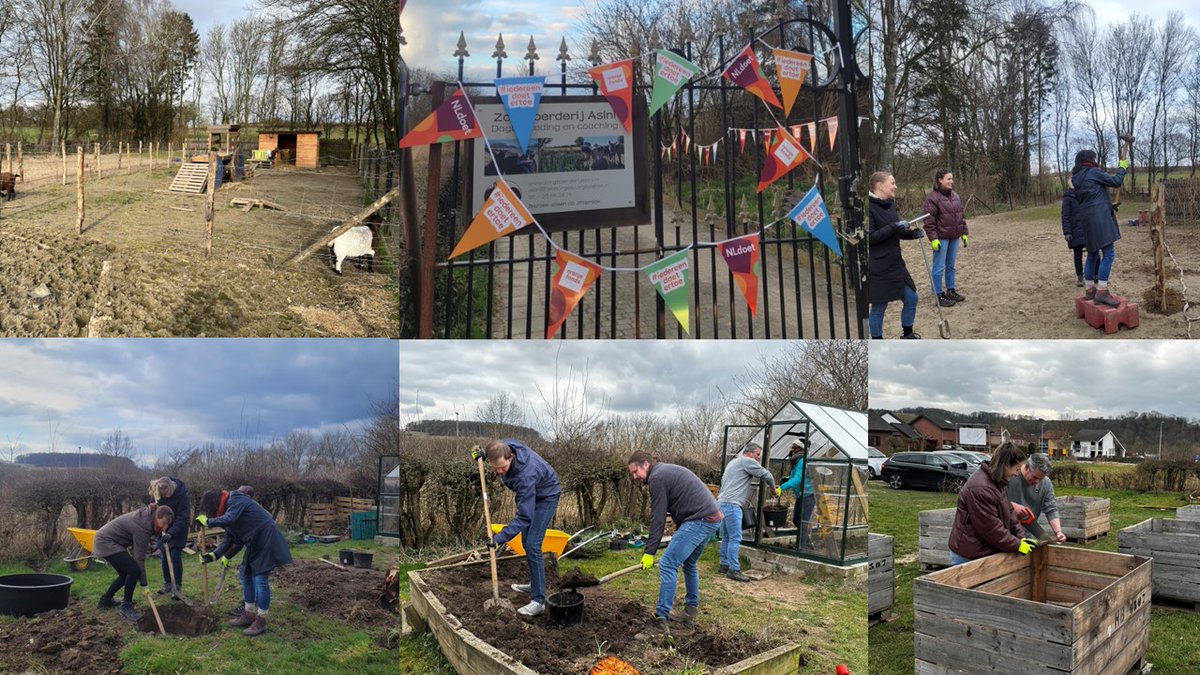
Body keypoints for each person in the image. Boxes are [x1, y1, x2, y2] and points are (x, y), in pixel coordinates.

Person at [627, 451, 723, 639]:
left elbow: (658, 518)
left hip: (700, 519)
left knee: (667, 564)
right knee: (688, 563)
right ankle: (690, 612)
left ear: (645, 464)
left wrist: (649, 552)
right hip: (711, 517)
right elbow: (683, 506)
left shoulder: (657, 478)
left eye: (635, 471)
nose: (634, 477)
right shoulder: (664, 472)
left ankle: (660, 621)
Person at [475, 438, 561, 617]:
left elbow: (524, 516)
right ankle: (535, 583)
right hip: (534, 492)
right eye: (495, 468)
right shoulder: (506, 447)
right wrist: (483, 455)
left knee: (532, 544)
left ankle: (538, 601)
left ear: (511, 458)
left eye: (502, 467)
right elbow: (498, 446)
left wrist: (499, 538)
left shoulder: (525, 476)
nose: (499, 472)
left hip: (546, 496)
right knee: (525, 541)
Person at [196, 487, 293, 637]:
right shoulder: (227, 511)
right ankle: (249, 613)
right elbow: (229, 540)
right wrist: (214, 555)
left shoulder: (236, 499)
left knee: (260, 579)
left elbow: (230, 519)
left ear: (214, 504)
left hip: (267, 539)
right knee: (245, 574)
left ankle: (261, 620)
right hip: (254, 543)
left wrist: (209, 522)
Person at [948, 442, 1037, 565]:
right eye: (1016, 469)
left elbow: (1010, 514)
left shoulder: (999, 483)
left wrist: (1021, 538)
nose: (1017, 474)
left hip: (985, 550)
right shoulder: (980, 488)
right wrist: (1017, 545)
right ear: (1006, 465)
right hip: (969, 555)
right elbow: (991, 529)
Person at [868, 171, 925, 339]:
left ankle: (907, 334)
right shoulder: (868, 208)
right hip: (878, 266)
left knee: (912, 298)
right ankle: (877, 341)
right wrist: (894, 226)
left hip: (895, 263)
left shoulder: (890, 205)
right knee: (879, 307)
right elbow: (870, 238)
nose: (895, 186)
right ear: (880, 185)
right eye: (892, 183)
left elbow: (895, 232)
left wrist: (912, 234)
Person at [93, 504, 175, 621]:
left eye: (167, 525)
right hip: (106, 542)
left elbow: (154, 530)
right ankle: (126, 606)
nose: (165, 528)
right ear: (156, 517)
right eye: (163, 524)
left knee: (125, 574)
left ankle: (106, 600)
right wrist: (144, 584)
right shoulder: (142, 528)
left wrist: (161, 536)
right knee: (134, 570)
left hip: (109, 541)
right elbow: (139, 558)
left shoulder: (148, 517)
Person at [1071, 149, 1128, 307]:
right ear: (1089, 160)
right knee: (1108, 253)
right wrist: (1122, 167)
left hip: (1087, 219)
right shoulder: (1094, 172)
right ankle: (1102, 292)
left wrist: (1109, 205)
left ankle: (1090, 290)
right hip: (1099, 218)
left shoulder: (1076, 178)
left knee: (1093, 254)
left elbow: (1092, 197)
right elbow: (1116, 181)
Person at [715, 443, 776, 582]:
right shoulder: (747, 461)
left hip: (722, 503)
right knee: (735, 538)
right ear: (750, 453)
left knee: (727, 537)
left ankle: (724, 565)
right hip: (732, 504)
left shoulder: (733, 462)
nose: (759, 458)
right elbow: (767, 475)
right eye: (758, 454)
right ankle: (734, 570)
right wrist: (773, 489)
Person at [922, 170, 969, 307]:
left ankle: (951, 290)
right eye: (948, 179)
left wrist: (964, 232)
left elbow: (961, 215)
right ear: (940, 180)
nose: (951, 181)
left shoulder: (955, 196)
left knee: (950, 266)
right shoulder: (933, 198)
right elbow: (929, 221)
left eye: (952, 178)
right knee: (939, 267)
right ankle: (938, 294)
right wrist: (933, 238)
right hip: (941, 238)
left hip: (954, 236)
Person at [1007, 453, 1067, 544]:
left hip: (1026, 535)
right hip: (1005, 535)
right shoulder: (1010, 476)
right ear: (1026, 467)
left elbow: (1051, 509)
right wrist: (1011, 506)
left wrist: (1058, 532)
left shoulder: (1046, 483)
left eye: (1041, 479)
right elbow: (993, 500)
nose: (1037, 482)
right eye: (1035, 477)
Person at [150, 476, 189, 597]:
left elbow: (182, 517)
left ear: (171, 488)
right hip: (163, 527)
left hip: (178, 528)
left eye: (166, 494)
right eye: (163, 495)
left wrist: (171, 533)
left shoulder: (182, 495)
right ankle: (167, 584)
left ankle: (177, 586)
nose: (165, 496)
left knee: (175, 555)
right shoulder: (158, 493)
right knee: (164, 557)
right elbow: (156, 510)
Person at [777, 444, 817, 549]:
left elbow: (798, 479)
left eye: (795, 448)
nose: (792, 450)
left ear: (801, 449)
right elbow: (797, 476)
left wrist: (782, 487)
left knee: (803, 521)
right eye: (792, 448)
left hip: (808, 494)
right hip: (801, 495)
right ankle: (807, 543)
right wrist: (787, 478)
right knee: (796, 519)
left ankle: (801, 547)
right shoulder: (798, 461)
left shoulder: (803, 461)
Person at [1062, 178, 1087, 287]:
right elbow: (1065, 216)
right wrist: (1067, 232)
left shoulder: (1085, 195)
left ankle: (1096, 274)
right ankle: (1080, 276)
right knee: (1078, 255)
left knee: (1094, 253)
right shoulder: (1068, 198)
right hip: (1075, 231)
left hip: (1087, 229)